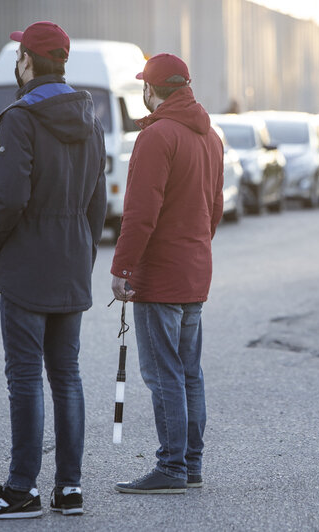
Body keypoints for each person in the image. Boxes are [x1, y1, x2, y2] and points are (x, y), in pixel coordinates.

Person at [0, 21, 106, 519]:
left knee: (24, 378)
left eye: (19, 56)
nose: (16, 63)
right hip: (70, 264)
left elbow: (8, 199)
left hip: (27, 266)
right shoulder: (91, 117)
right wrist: (83, 256)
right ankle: (70, 488)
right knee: (66, 375)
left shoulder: (20, 118)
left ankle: (21, 489)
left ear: (28, 62)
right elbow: (97, 204)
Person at [110, 53, 223, 494]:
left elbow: (139, 214)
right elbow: (214, 211)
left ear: (152, 90)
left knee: (164, 374)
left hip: (160, 278)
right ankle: (190, 465)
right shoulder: (209, 136)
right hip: (194, 274)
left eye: (144, 85)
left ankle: (172, 467)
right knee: (188, 371)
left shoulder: (158, 136)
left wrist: (123, 267)